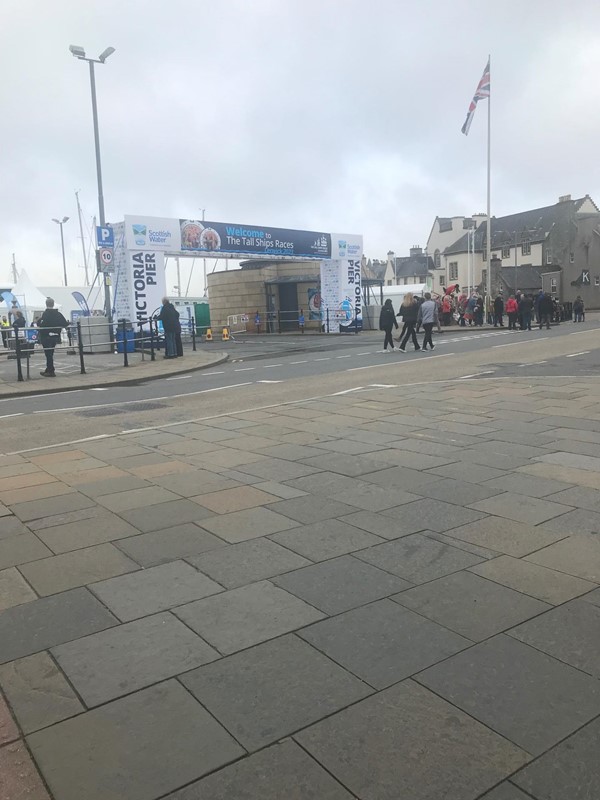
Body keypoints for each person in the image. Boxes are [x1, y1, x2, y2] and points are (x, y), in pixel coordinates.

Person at [38, 298, 68, 378]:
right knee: (50, 353)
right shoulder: (58, 314)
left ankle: (51, 370)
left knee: (48, 354)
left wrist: (40, 323)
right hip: (55, 335)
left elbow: (42, 324)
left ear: (46, 304)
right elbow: (64, 323)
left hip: (46, 335)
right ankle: (49, 369)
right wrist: (58, 328)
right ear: (53, 304)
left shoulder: (45, 314)